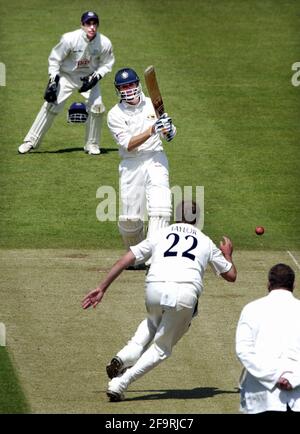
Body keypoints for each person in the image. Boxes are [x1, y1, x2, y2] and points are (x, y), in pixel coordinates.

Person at [82, 201, 237, 401]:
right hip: (184, 294)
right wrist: (228, 255)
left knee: (152, 322)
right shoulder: (205, 241)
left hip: (154, 289)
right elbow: (231, 275)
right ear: (197, 220)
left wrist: (102, 287)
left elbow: (126, 260)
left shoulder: (161, 233)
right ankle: (121, 382)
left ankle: (123, 357)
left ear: (176, 216)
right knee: (161, 347)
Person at [106, 68, 177, 266]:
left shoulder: (152, 105)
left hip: (156, 158)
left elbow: (167, 132)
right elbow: (128, 144)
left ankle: (156, 257)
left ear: (138, 84)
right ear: (118, 90)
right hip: (131, 163)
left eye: (131, 84)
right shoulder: (114, 115)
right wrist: (152, 129)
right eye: (123, 87)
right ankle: (137, 258)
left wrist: (169, 131)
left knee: (161, 209)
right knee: (129, 219)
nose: (128, 89)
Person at [18, 11, 115, 155]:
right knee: (51, 105)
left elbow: (107, 64)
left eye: (94, 23)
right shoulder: (69, 39)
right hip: (67, 76)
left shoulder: (104, 42)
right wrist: (53, 81)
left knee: (97, 108)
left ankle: (92, 144)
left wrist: (96, 77)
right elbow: (55, 59)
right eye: (88, 23)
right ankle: (31, 141)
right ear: (82, 25)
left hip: (88, 78)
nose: (92, 27)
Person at [236, 263, 300, 413]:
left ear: (268, 284)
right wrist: (293, 379)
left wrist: (274, 377)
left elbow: (243, 351)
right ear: (294, 285)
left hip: (261, 398)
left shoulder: (251, 309)